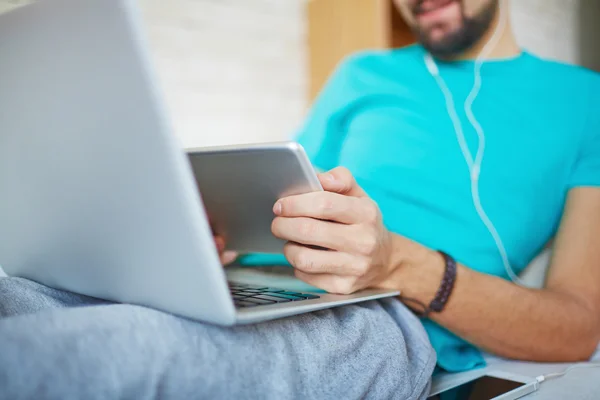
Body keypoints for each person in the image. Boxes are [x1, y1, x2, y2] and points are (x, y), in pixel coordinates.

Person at [1, 0, 599, 398]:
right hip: (256, 284)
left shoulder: (585, 102)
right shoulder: (361, 73)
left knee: (115, 354)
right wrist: (210, 238)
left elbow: (577, 327)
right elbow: (281, 195)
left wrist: (393, 263)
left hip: (379, 315)